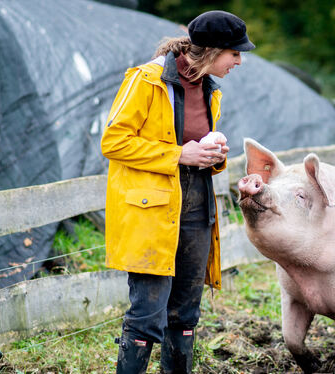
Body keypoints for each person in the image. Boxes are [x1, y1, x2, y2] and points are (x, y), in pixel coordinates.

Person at [100, 10, 255, 374]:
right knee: (147, 315)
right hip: (152, 211)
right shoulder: (146, 80)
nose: (239, 61)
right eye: (234, 53)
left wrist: (213, 156)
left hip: (197, 207)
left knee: (185, 313)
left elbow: (191, 148)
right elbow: (113, 141)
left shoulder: (210, 89)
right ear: (214, 51)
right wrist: (179, 154)